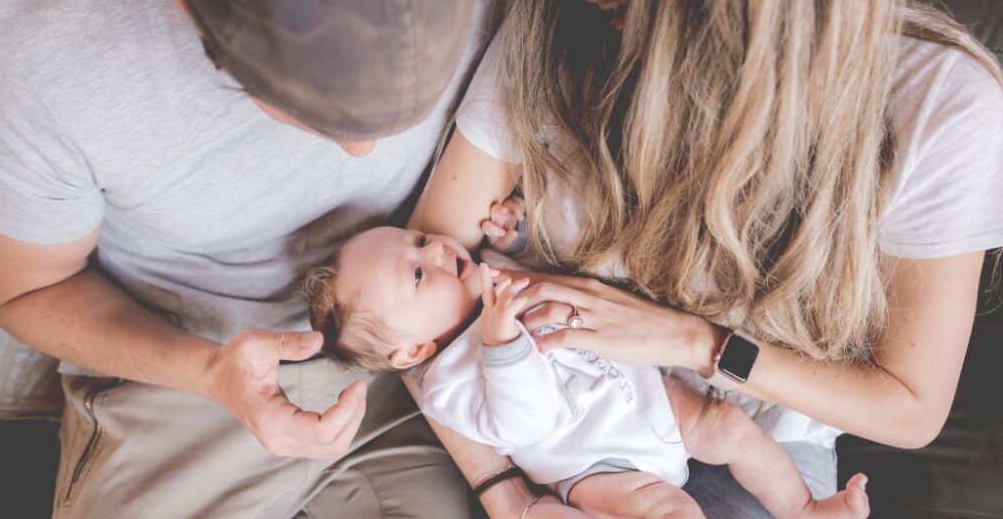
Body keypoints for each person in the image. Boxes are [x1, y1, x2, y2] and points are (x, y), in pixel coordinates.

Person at [405, 0, 1003, 517]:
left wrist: (690, 340)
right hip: (564, 439)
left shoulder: (938, 105)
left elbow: (909, 409)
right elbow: (409, 305)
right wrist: (503, 489)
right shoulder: (556, 24)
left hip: (762, 436)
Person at [0, 0, 485, 516]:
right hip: (185, 374)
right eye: (310, 108)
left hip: (417, 368)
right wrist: (210, 372)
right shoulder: (30, 44)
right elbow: (30, 289)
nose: (362, 150)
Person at [301, 224, 872, 519]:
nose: (435, 252)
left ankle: (800, 505)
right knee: (673, 512)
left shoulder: (491, 278)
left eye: (421, 241)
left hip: (650, 398)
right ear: (411, 352)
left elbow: (560, 270)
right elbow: (525, 424)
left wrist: (514, 236)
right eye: (419, 276)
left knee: (729, 429)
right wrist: (501, 344)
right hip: (596, 464)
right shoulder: (446, 385)